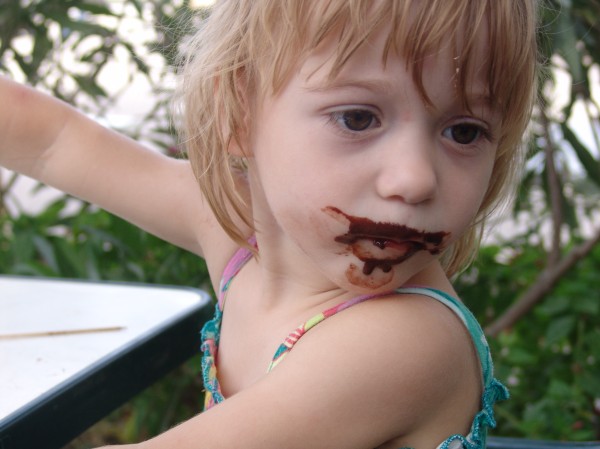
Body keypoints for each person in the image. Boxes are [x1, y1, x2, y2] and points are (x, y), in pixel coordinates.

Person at [0, 0, 539, 447]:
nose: (415, 178)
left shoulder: (402, 343)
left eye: (464, 132)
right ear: (239, 112)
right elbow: (55, 143)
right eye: (358, 118)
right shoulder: (244, 239)